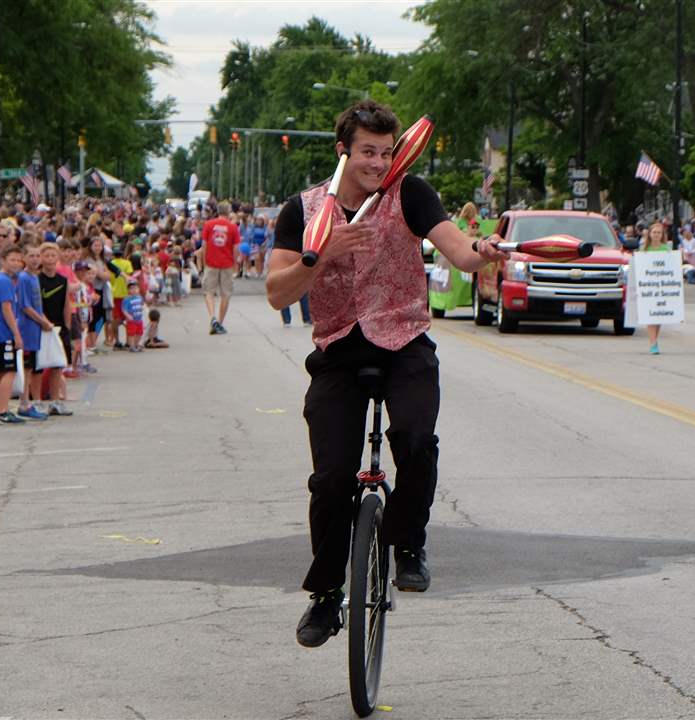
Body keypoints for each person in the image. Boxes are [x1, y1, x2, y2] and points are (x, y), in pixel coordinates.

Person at [264, 100, 509, 648]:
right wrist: (319, 255)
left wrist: (484, 251)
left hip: (404, 340)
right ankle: (326, 594)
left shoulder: (410, 194)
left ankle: (409, 542)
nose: (378, 162)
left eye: (385, 151)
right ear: (342, 152)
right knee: (331, 479)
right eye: (367, 152)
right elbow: (277, 293)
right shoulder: (303, 210)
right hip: (338, 349)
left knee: (416, 440)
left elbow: (460, 253)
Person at [16, 244, 53, 420]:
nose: (35, 259)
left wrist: (45, 321)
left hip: (35, 329)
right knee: (26, 367)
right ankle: (24, 403)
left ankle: (27, 401)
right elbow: (25, 306)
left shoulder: (35, 277)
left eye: (38, 256)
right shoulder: (23, 278)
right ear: (24, 258)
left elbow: (38, 306)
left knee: (31, 367)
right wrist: (41, 321)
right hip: (26, 328)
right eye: (31, 256)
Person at [37, 243, 72, 416]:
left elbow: (66, 305)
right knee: (37, 367)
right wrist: (43, 322)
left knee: (58, 365)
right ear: (41, 258)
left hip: (58, 327)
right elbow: (35, 305)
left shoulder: (63, 280)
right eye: (46, 255)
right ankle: (36, 402)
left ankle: (55, 402)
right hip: (41, 327)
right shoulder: (37, 280)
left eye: (53, 255)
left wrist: (67, 326)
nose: (50, 259)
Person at [0, 245, 25, 424]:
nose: (16, 263)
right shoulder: (4, 281)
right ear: (3, 260)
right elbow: (7, 309)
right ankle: (3, 411)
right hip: (3, 332)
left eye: (18, 260)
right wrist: (16, 334)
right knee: (9, 370)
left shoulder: (1, 279)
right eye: (12, 259)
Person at [200, 201, 240, 335]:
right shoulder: (233, 227)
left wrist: (204, 262)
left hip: (211, 262)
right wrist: (235, 264)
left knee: (209, 292)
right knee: (226, 294)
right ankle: (220, 322)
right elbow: (236, 248)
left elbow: (204, 245)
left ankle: (212, 317)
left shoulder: (208, 225)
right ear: (228, 211)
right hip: (227, 263)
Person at [640, 222, 672, 353]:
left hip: (662, 288)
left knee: (659, 317)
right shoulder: (644, 250)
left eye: (659, 233)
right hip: (648, 288)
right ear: (650, 234)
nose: (657, 235)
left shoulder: (666, 250)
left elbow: (671, 268)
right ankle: (653, 343)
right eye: (654, 232)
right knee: (650, 316)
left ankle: (654, 340)